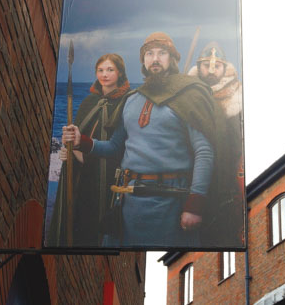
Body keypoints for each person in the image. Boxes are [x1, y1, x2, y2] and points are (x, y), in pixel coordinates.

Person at [62, 32, 220, 248]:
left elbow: (204, 150)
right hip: (127, 203)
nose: (155, 59)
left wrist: (195, 205)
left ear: (172, 58)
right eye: (149, 54)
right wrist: (83, 142)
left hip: (170, 203)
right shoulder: (132, 99)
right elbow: (115, 147)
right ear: (143, 61)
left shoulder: (189, 95)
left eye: (162, 53)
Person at [47, 53, 131, 247]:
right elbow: (76, 134)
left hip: (108, 171)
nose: (105, 74)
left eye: (110, 70)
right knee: (79, 213)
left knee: (98, 219)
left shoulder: (127, 102)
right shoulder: (89, 102)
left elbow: (120, 143)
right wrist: (69, 151)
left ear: (120, 73)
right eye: (101, 70)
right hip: (83, 170)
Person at [188, 42, 245, 246]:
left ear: (224, 68)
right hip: (192, 174)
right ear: (199, 66)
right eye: (206, 66)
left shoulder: (237, 96)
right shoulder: (189, 93)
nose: (211, 71)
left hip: (226, 177)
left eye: (217, 66)